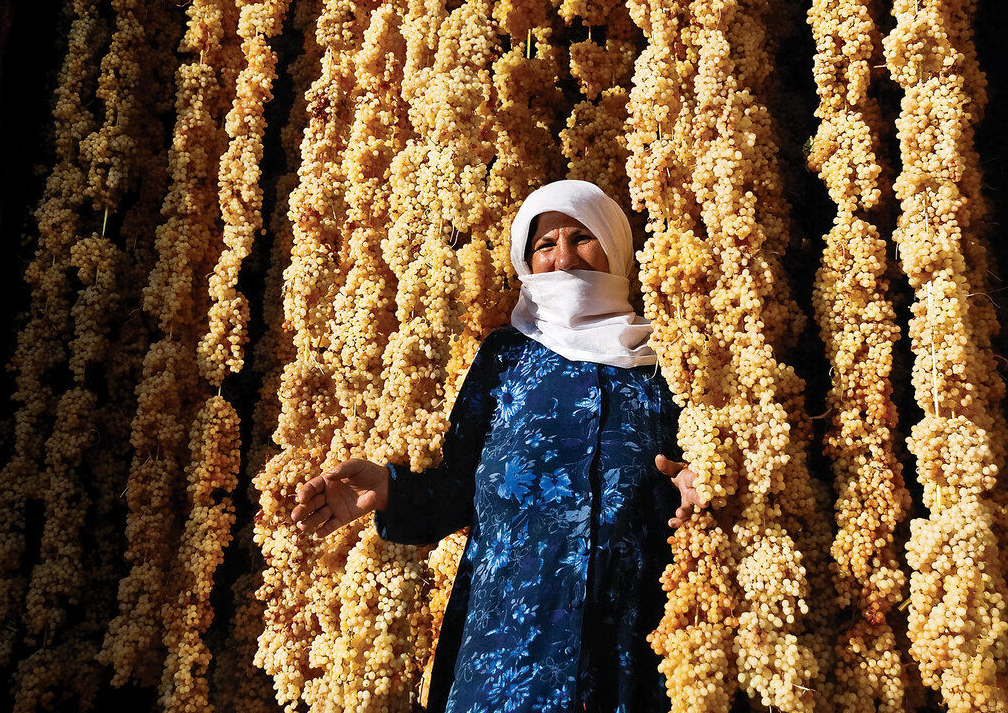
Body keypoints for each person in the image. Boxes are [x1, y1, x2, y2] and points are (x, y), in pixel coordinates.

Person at [290, 179, 703, 712]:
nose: (564, 260)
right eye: (545, 246)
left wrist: (698, 488)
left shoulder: (665, 360)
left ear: (615, 245)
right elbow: (460, 485)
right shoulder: (505, 358)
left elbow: (690, 470)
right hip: (507, 646)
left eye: (581, 237)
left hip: (623, 639)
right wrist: (389, 491)